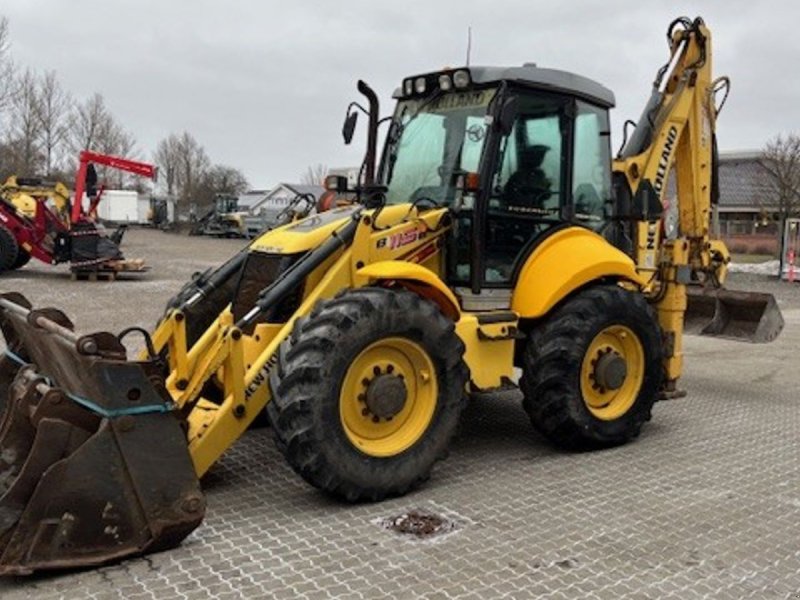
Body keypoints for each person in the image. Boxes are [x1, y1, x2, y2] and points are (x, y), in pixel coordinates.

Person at [503, 144, 552, 209]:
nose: (541, 160)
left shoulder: (539, 174)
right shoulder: (519, 176)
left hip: (536, 213)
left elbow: (545, 195)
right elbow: (515, 198)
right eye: (538, 157)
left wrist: (546, 189)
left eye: (542, 157)